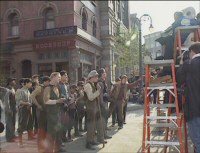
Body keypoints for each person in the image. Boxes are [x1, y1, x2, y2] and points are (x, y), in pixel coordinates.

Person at [177, 42, 200, 153]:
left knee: (197, 141)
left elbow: (179, 80)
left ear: (192, 52)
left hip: (194, 109)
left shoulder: (189, 64)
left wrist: (181, 63)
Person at [84, 70, 104, 150]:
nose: (97, 78)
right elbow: (91, 97)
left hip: (94, 108)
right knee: (90, 126)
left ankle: (92, 140)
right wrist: (98, 91)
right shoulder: (88, 85)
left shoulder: (92, 84)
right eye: (96, 76)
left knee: (93, 126)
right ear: (91, 77)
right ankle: (88, 143)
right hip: (90, 109)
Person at [30, 76, 50, 152]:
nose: (49, 83)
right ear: (45, 81)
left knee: (46, 129)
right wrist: (38, 105)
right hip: (41, 111)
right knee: (42, 129)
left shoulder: (47, 88)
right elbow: (32, 96)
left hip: (46, 111)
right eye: (48, 81)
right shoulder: (39, 88)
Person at [15, 78, 33, 147]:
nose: (31, 84)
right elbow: (19, 101)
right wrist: (27, 103)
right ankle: (20, 142)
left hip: (28, 109)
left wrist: (30, 104)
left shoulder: (27, 91)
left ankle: (29, 137)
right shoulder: (20, 91)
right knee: (21, 125)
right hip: (23, 109)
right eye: (30, 83)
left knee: (29, 124)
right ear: (26, 83)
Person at [97, 68, 112, 140]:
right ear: (100, 74)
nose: (105, 74)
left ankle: (104, 134)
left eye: (105, 73)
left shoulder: (103, 81)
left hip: (105, 102)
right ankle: (101, 136)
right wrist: (102, 104)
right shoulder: (100, 82)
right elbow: (100, 95)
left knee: (105, 120)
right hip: (102, 103)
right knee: (102, 121)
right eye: (104, 73)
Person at [59, 70, 70, 142]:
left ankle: (64, 137)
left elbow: (66, 95)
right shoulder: (59, 85)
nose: (66, 77)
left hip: (66, 106)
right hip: (61, 107)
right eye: (65, 75)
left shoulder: (65, 85)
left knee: (65, 123)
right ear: (61, 76)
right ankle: (61, 139)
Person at [5, 77, 17, 142]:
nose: (14, 82)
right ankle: (9, 138)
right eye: (13, 81)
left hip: (13, 107)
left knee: (13, 122)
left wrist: (16, 107)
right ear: (10, 82)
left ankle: (13, 135)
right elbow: (6, 100)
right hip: (9, 108)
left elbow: (14, 100)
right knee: (9, 123)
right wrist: (8, 108)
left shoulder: (13, 89)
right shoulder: (7, 89)